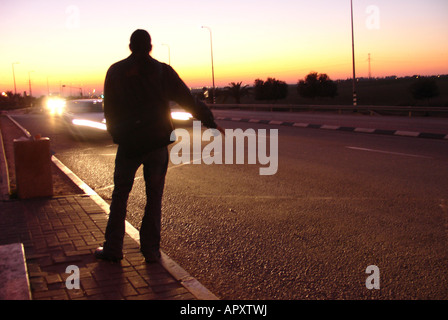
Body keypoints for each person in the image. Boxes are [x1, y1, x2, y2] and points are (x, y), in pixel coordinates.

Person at [95, 29, 224, 263]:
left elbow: (109, 109)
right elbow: (187, 99)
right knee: (154, 198)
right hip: (156, 143)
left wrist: (117, 134)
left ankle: (113, 249)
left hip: (129, 145)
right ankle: (151, 252)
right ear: (150, 47)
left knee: (120, 196)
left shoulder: (115, 71)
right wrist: (209, 121)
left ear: (130, 47)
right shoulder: (162, 71)